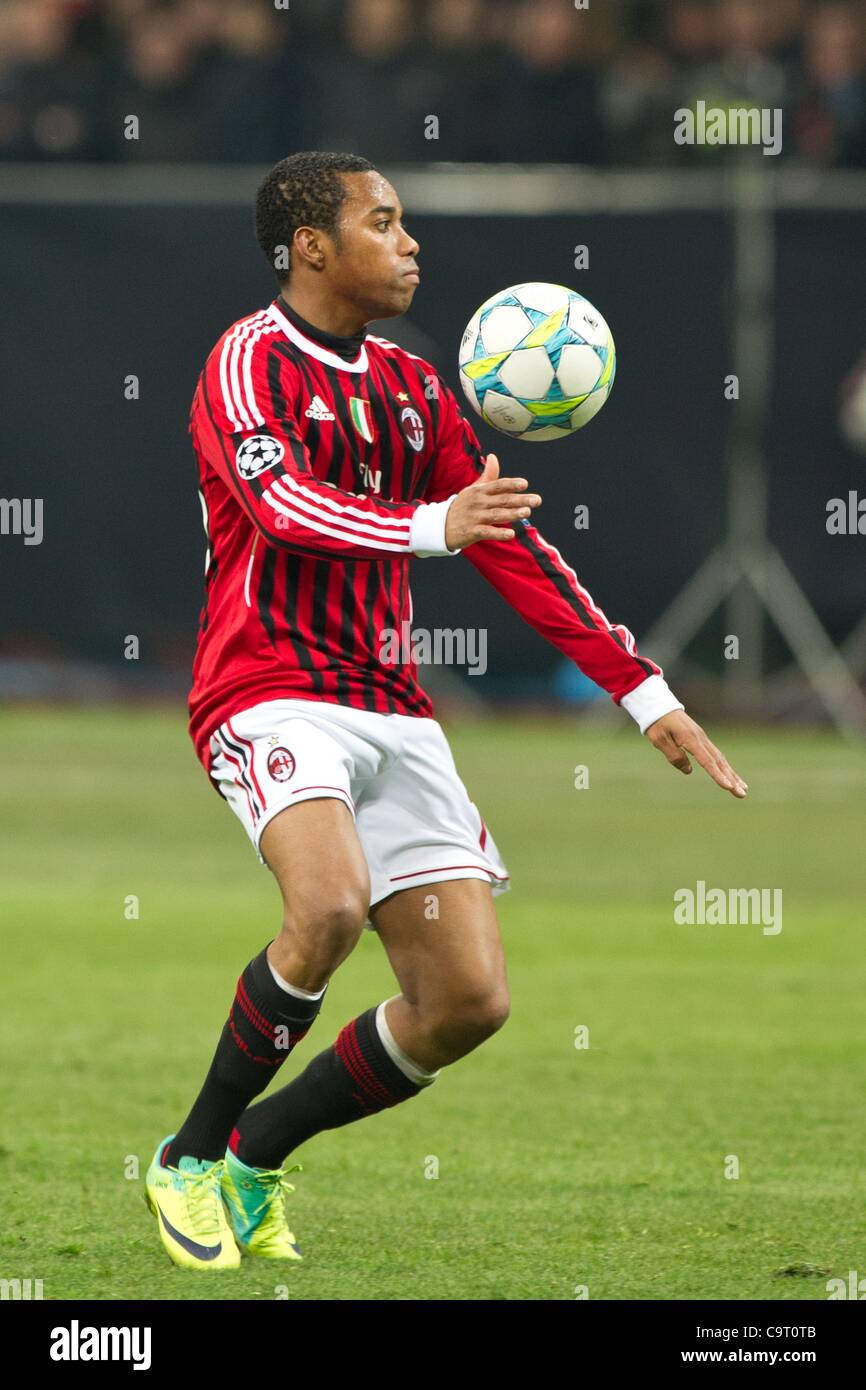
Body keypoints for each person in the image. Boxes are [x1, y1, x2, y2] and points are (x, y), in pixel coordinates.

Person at [145, 150, 747, 1270]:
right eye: (384, 220)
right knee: (326, 909)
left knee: (465, 999)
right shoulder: (246, 362)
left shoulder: (413, 384)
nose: (409, 240)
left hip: (391, 706)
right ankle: (183, 1156)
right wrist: (433, 528)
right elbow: (279, 507)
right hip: (269, 689)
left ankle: (253, 1153)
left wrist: (642, 691)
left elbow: (507, 541)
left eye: (406, 220)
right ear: (311, 246)